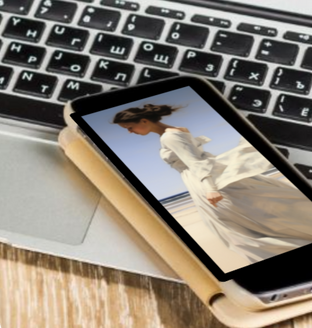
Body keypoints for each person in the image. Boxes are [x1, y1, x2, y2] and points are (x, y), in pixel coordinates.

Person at [113, 103, 312, 263]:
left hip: (203, 183)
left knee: (237, 234)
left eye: (130, 127)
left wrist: (210, 189)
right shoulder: (177, 131)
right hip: (203, 180)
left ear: (144, 120)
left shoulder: (170, 138)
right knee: (247, 223)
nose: (130, 132)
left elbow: (195, 162)